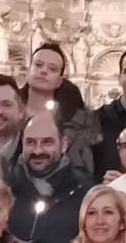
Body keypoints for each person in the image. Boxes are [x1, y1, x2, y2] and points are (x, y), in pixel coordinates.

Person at [7, 114, 89, 243]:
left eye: (47, 142)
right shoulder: (5, 190)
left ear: (63, 144)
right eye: (31, 142)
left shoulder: (85, 191)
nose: (38, 151)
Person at [22, 42, 97, 175]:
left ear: (59, 81)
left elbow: (82, 170)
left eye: (52, 68)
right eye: (38, 65)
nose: (43, 71)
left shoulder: (75, 124)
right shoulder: (8, 113)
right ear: (28, 71)